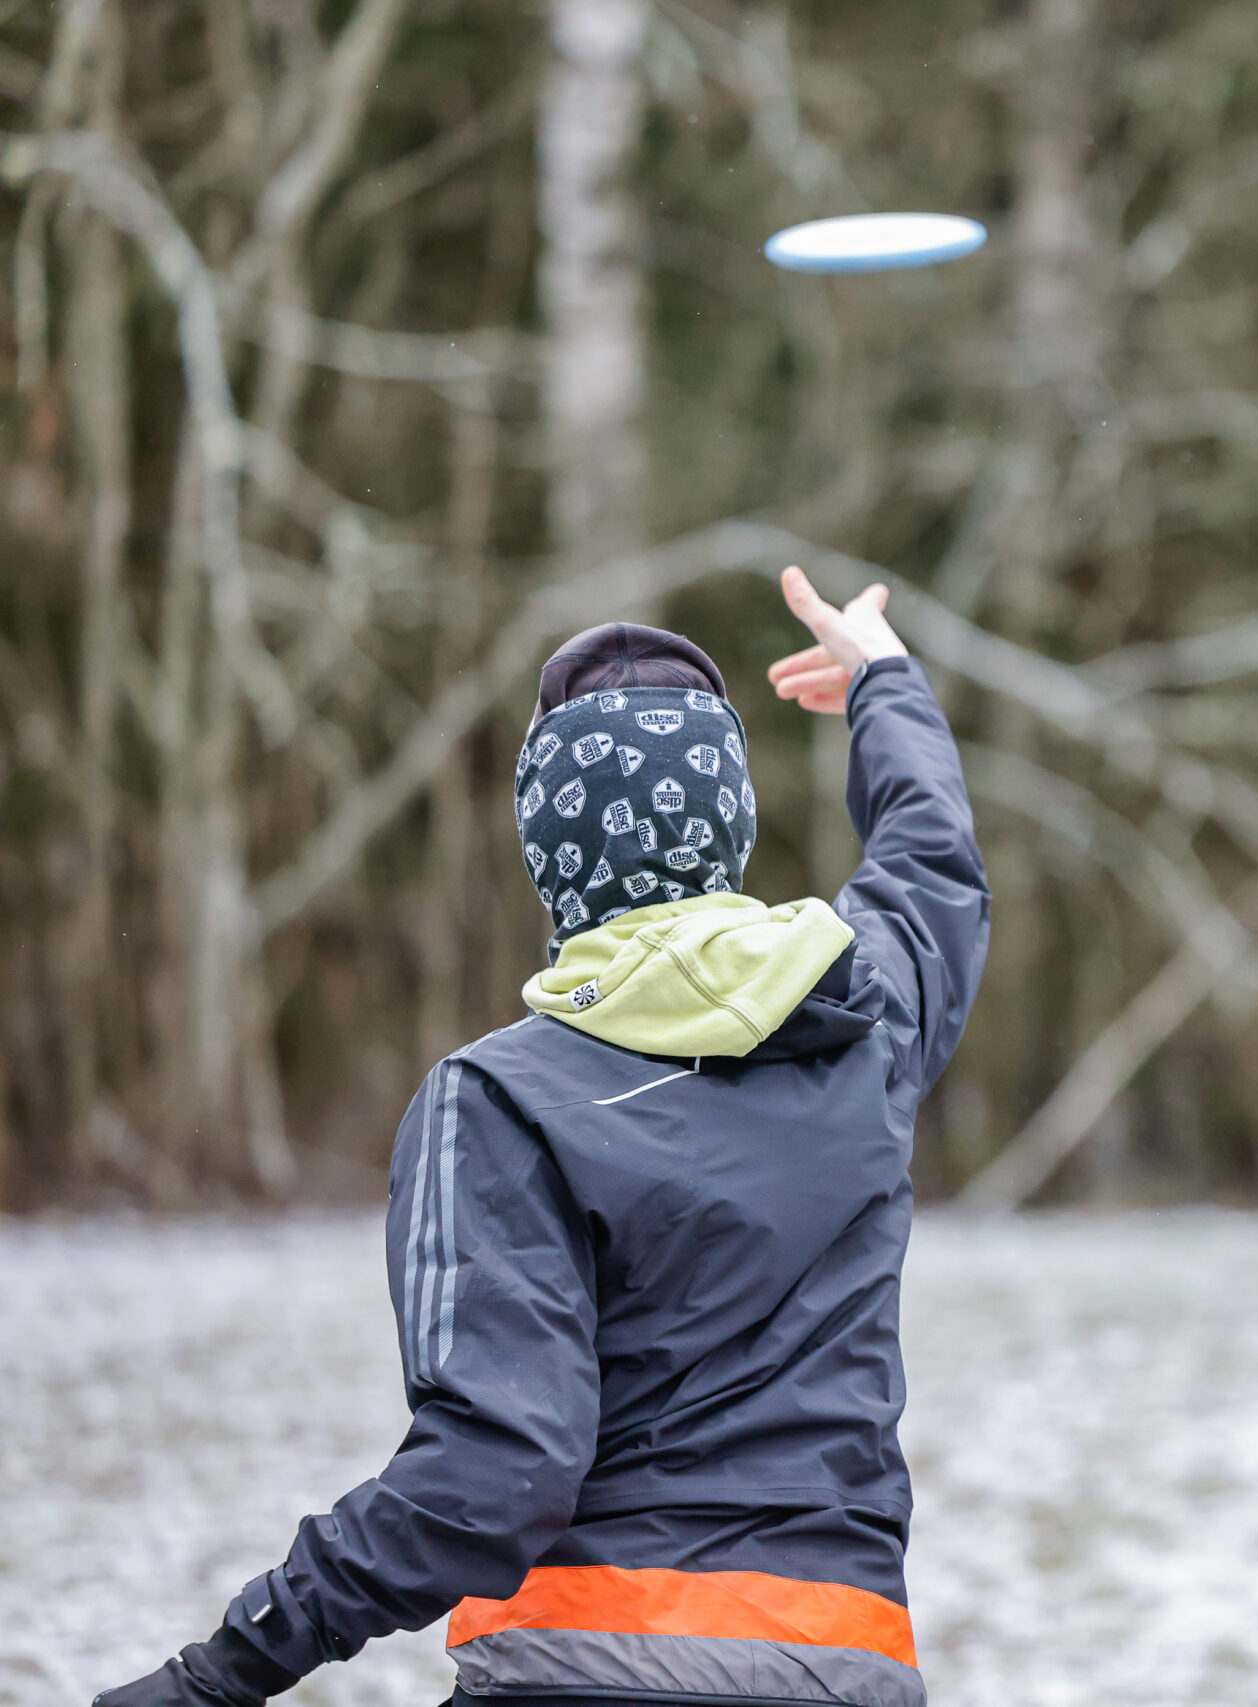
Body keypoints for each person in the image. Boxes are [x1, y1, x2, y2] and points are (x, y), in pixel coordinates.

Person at [94, 568, 989, 1707]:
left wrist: (219, 1674)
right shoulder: (865, 1020)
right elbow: (932, 870)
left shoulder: (497, 1101)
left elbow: (494, 1479)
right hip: (847, 1666)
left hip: (581, 1667)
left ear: (549, 855)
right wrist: (885, 685)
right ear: (731, 827)